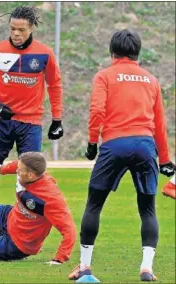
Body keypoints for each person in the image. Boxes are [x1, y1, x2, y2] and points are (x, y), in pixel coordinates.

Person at [68, 29, 176, 282]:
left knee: (94, 204)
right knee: (148, 210)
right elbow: (160, 122)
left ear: (112, 51)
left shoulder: (104, 76)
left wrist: (93, 141)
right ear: (138, 52)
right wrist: (165, 159)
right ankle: (147, 268)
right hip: (145, 144)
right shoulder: (151, 79)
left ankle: (85, 267)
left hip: (115, 143)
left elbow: (97, 110)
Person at [0, 6, 63, 205]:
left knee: (31, 178)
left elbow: (55, 85)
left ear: (31, 28)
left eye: (21, 30)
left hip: (30, 124)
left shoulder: (45, 54)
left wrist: (56, 119)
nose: (16, 33)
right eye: (12, 28)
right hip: (1, 123)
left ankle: (26, 228)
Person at [0, 152, 76, 263]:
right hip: (10, 218)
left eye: (19, 170)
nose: (17, 171)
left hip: (19, 244)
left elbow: (69, 230)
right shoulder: (26, 171)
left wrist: (59, 258)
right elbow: (18, 164)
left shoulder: (50, 199)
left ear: (30, 175)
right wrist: (2, 169)